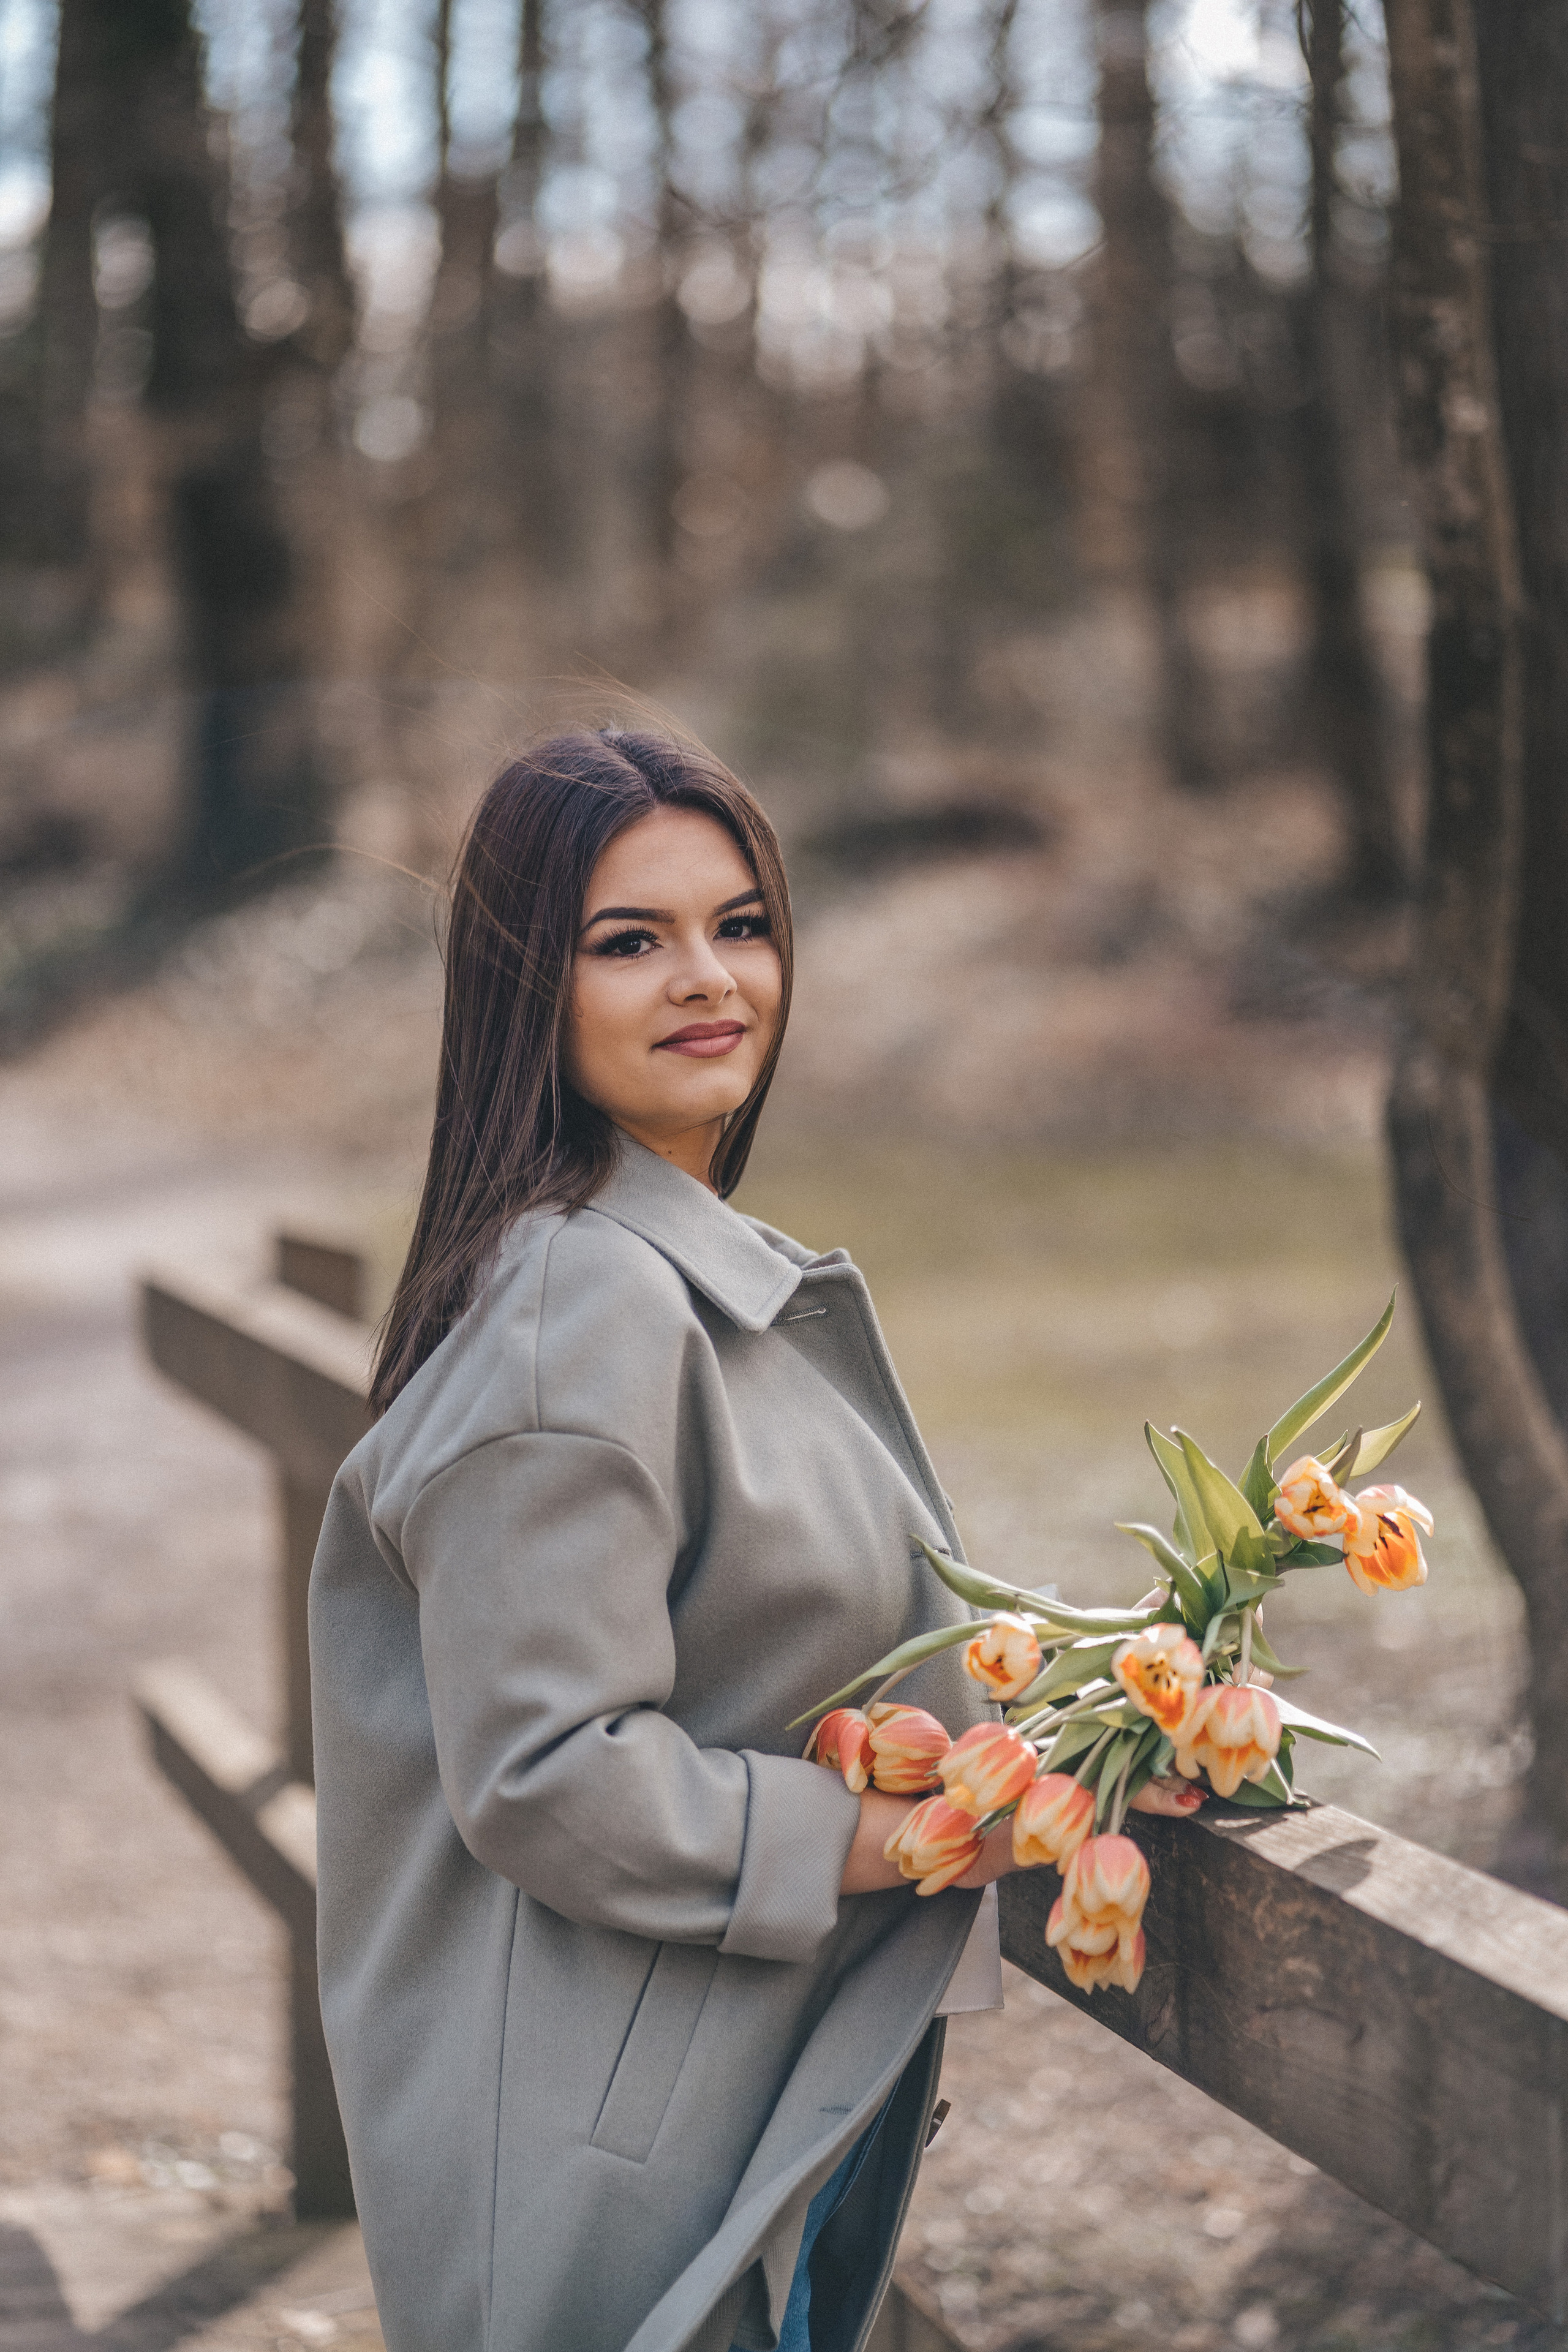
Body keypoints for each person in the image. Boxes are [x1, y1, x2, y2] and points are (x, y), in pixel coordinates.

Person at [309, 728, 1199, 2352]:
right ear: (532, 987)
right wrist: (916, 1842)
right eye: (628, 941)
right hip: (626, 2169)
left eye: (741, 923)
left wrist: (1114, 1731)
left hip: (752, 2102)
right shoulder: (574, 1311)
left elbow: (815, 1633)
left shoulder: (685, 1282)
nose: (708, 978)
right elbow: (550, 1774)